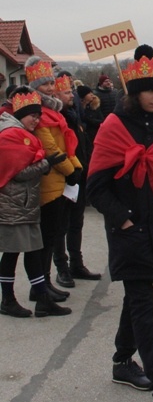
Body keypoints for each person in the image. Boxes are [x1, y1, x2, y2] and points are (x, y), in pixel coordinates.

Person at [86, 45, 153, 402]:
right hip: (127, 230)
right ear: (133, 92)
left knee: (137, 296)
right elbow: (96, 188)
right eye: (149, 89)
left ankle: (121, 362)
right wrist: (124, 220)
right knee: (143, 299)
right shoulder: (114, 126)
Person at [0, 87, 71, 317]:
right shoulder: (11, 134)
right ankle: (10, 300)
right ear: (22, 114)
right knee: (14, 253)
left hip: (23, 204)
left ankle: (41, 298)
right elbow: (18, 172)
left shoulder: (18, 131)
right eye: (33, 115)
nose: (37, 120)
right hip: (14, 205)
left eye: (39, 116)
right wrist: (46, 163)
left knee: (30, 251)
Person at [27, 56, 83, 303]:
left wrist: (77, 167)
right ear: (35, 87)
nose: (50, 88)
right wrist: (71, 171)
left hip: (60, 180)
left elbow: (68, 147)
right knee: (47, 237)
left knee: (51, 235)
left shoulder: (54, 112)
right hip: (50, 181)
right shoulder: (40, 114)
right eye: (45, 85)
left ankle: (45, 284)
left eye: (51, 83)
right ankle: (42, 285)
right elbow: (50, 148)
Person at [51, 75, 101, 288]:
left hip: (80, 175)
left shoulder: (74, 115)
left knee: (76, 223)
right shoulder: (55, 118)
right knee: (60, 226)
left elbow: (84, 145)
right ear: (55, 95)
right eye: (67, 92)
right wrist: (71, 172)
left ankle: (76, 264)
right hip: (64, 178)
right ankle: (62, 268)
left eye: (71, 91)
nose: (72, 95)